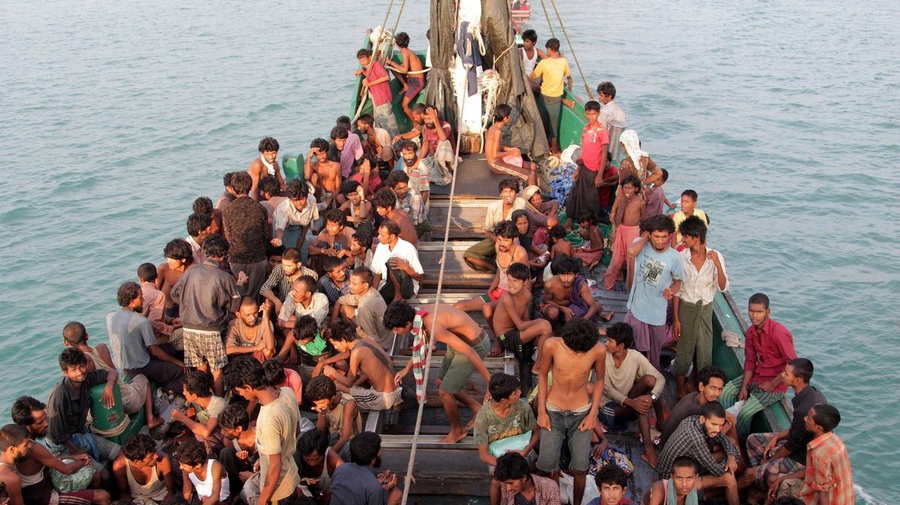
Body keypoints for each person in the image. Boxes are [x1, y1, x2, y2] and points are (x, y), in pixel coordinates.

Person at [385, 301, 492, 443]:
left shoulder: (431, 324)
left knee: (445, 392)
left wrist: (489, 382)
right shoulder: (418, 313)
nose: (395, 333)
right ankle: (477, 409)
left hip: (475, 345)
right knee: (440, 382)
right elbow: (424, 342)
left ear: (407, 324)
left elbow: (469, 351)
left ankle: (457, 431)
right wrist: (407, 369)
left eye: (396, 329)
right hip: (458, 344)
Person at [535, 318, 606, 505]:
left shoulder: (598, 350)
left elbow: (599, 380)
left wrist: (593, 415)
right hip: (553, 411)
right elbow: (542, 374)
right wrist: (541, 411)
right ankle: (554, 500)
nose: (578, 354)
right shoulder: (551, 345)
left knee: (581, 468)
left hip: (581, 413)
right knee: (549, 465)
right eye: (575, 350)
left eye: (582, 352)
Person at [738, 359, 827, 497]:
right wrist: (777, 437)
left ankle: (751, 482)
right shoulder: (812, 393)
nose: (782, 375)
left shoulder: (803, 410)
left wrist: (770, 461)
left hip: (801, 457)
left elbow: (792, 445)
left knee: (749, 473)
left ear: (797, 380)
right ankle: (760, 481)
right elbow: (796, 429)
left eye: (786, 373)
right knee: (752, 440)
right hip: (798, 441)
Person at [170, 235, 242, 395]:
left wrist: (187, 304)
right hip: (210, 329)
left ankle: (203, 399)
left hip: (189, 329)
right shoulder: (225, 277)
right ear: (224, 255)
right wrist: (239, 286)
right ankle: (220, 401)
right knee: (217, 370)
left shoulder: (191, 270)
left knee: (200, 368)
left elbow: (174, 294)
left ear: (205, 251)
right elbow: (234, 306)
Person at [718, 293, 797, 438]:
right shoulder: (751, 332)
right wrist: (744, 387)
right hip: (757, 375)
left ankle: (739, 439)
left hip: (776, 383)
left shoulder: (779, 333)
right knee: (725, 392)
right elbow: (750, 361)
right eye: (751, 311)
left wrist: (773, 383)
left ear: (768, 312)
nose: (754, 316)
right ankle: (724, 427)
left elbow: (793, 364)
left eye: (759, 312)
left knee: (746, 412)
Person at [224, 357, 301, 505]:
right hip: (291, 474)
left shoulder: (267, 419)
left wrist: (262, 500)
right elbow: (296, 431)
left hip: (278, 490)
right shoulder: (287, 392)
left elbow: (276, 465)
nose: (242, 395)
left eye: (240, 391)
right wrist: (265, 458)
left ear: (248, 387)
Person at [63, 321, 160, 429]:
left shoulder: (78, 367)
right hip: (128, 401)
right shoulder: (102, 348)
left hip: (107, 410)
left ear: (66, 343)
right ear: (87, 336)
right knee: (142, 378)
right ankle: (150, 419)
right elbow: (113, 371)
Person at [672, 215, 728, 398]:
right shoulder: (681, 258)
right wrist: (676, 319)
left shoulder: (715, 256)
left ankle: (697, 386)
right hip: (686, 308)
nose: (682, 240)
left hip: (705, 309)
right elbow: (678, 290)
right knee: (684, 350)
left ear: (696, 237)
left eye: (686, 236)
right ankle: (681, 390)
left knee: (704, 351)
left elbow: (723, 287)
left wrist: (717, 265)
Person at [598, 322, 666, 469]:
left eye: (610, 341)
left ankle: (661, 423)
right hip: (608, 407)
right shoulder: (603, 356)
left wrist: (652, 397)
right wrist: (632, 402)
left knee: (650, 382)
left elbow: (660, 378)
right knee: (641, 405)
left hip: (628, 401)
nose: (606, 344)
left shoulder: (634, 356)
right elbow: (608, 390)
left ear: (621, 346)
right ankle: (649, 451)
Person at [623, 214, 685, 370]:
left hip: (657, 313)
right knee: (633, 347)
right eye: (656, 236)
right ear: (650, 235)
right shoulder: (641, 245)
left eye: (664, 237)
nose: (660, 241)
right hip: (636, 308)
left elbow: (678, 281)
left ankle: (651, 375)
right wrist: (646, 236)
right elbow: (631, 251)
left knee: (653, 353)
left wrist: (671, 291)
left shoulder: (675, 257)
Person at [46, 349, 121, 474]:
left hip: (80, 432)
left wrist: (109, 386)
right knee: (102, 474)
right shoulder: (59, 396)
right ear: (65, 372)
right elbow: (57, 435)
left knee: (121, 452)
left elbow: (112, 372)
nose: (80, 372)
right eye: (74, 370)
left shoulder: (86, 380)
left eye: (82, 366)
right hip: (64, 444)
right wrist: (76, 451)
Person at [0, 423, 111, 505]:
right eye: (25, 445)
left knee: (95, 477)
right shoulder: (12, 479)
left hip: (44, 491)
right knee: (103, 497)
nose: (29, 446)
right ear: (12, 449)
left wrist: (71, 457)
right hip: (45, 499)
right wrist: (84, 461)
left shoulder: (12, 460)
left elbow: (47, 459)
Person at [106, 282, 186, 394]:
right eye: (140, 297)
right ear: (132, 301)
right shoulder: (142, 322)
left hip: (125, 367)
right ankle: (168, 390)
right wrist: (178, 363)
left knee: (170, 349)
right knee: (180, 371)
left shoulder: (110, 317)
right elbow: (155, 351)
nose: (143, 300)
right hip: (141, 367)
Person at [473, 374, 539, 505]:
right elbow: (483, 454)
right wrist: (505, 465)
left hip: (523, 453)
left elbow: (537, 433)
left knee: (535, 470)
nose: (520, 392)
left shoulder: (523, 407)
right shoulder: (483, 417)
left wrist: (524, 452)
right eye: (515, 392)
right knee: (497, 480)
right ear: (503, 400)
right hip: (497, 458)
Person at [657, 402, 740, 505]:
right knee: (729, 479)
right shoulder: (696, 438)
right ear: (702, 419)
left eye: (720, 425)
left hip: (684, 464)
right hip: (672, 480)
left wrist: (731, 455)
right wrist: (731, 461)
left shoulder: (694, 420)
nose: (717, 429)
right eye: (714, 424)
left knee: (728, 447)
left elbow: (722, 437)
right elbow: (718, 471)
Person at [322, 320, 402, 412]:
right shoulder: (367, 340)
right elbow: (387, 362)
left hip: (383, 398)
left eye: (335, 344)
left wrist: (333, 372)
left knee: (340, 394)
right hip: (396, 390)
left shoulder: (356, 353)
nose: (335, 348)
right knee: (350, 387)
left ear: (343, 340)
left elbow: (348, 382)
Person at [492, 263, 553, 385]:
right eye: (509, 280)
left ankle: (536, 358)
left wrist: (534, 328)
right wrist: (539, 322)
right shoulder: (507, 298)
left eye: (515, 281)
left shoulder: (527, 294)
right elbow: (520, 325)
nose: (510, 284)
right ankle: (537, 366)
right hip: (504, 337)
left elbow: (525, 319)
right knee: (545, 326)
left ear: (525, 282)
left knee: (549, 338)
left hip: (516, 331)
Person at [454, 220, 529, 317]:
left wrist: (517, 303)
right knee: (459, 305)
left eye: (506, 241)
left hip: (511, 296)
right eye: (499, 239)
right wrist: (490, 290)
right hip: (497, 292)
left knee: (488, 309)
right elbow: (500, 271)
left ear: (514, 239)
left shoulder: (520, 253)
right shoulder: (498, 246)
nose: (502, 243)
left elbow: (527, 284)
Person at [791, 404, 853, 505]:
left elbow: (823, 493)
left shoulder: (819, 454)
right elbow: (813, 470)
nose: (805, 418)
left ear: (819, 427)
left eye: (809, 418)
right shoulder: (835, 440)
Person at [222, 171, 270, 300]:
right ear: (250, 187)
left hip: (236, 260)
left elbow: (228, 237)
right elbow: (265, 234)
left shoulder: (228, 210)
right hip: (257, 258)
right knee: (256, 296)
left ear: (233, 188)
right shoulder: (260, 208)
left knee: (239, 295)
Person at [661, 366, 736, 447]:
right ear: (701, 386)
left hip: (690, 439)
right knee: (731, 439)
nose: (717, 394)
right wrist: (728, 425)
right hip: (675, 446)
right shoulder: (694, 409)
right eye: (713, 388)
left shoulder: (698, 396)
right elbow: (710, 441)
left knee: (729, 424)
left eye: (720, 389)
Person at [464, 177, 527, 272]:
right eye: (505, 192)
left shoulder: (520, 203)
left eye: (511, 191)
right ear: (501, 194)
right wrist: (499, 241)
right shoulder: (493, 207)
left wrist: (506, 241)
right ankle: (494, 268)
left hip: (513, 239)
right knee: (469, 255)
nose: (508, 195)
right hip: (496, 238)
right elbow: (488, 231)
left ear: (516, 193)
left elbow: (518, 226)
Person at [329, 431, 401, 505]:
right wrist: (385, 489)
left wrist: (376, 482)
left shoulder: (341, 469)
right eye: (379, 450)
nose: (380, 453)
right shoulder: (374, 487)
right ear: (373, 460)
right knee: (396, 494)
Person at [566, 101, 609, 224]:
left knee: (591, 198)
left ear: (598, 113)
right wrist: (578, 169)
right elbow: (583, 150)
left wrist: (599, 175)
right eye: (588, 114)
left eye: (593, 114)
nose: (591, 117)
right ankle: (572, 219)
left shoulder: (602, 131)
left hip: (593, 170)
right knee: (575, 193)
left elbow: (604, 154)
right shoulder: (585, 128)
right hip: (583, 166)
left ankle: (591, 223)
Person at [332, 267, 393, 351]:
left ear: (365, 285)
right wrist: (332, 324)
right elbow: (340, 301)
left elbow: (372, 337)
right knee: (344, 308)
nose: (350, 286)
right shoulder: (370, 291)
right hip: (377, 330)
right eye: (350, 282)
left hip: (381, 342)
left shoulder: (364, 306)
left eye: (354, 284)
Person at [540, 256, 613, 327]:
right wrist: (563, 308)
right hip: (556, 306)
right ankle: (553, 328)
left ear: (576, 275)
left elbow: (593, 306)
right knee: (553, 313)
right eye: (562, 274)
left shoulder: (580, 283)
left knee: (598, 306)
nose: (566, 279)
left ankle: (573, 321)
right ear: (558, 274)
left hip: (572, 308)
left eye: (569, 275)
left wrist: (581, 321)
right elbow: (547, 300)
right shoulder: (550, 285)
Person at [530, 38, 573, 154]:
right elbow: (567, 74)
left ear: (549, 49)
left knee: (543, 120)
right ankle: (554, 148)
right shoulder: (563, 61)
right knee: (554, 124)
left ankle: (543, 145)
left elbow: (533, 76)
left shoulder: (544, 63)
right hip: (556, 97)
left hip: (544, 95)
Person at [603, 175, 645, 292]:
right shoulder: (621, 200)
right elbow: (617, 221)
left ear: (636, 189)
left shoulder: (640, 202)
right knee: (615, 260)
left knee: (632, 263)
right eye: (625, 188)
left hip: (633, 232)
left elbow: (644, 220)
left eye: (630, 188)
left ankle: (631, 290)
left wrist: (642, 238)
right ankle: (608, 286)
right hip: (621, 230)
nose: (627, 190)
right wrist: (622, 205)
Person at [171, 371, 226, 456]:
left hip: (224, 439)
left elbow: (206, 432)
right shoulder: (194, 402)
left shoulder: (218, 404)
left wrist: (182, 418)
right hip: (211, 438)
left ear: (195, 395)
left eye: (185, 391)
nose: (183, 393)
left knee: (201, 435)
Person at [304, 376, 361, 456]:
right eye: (317, 404)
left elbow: (345, 438)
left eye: (321, 403)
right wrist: (321, 414)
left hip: (348, 442)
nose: (319, 406)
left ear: (332, 397)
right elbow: (319, 430)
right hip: (332, 437)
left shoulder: (348, 404)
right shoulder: (324, 405)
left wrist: (327, 455)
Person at [370, 220, 425, 303]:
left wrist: (405, 267)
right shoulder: (380, 247)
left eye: (382, 235)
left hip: (406, 289)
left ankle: (398, 296)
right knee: (374, 300)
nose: (378, 237)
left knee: (392, 261)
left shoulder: (408, 248)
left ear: (392, 236)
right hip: (387, 286)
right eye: (379, 234)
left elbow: (420, 277)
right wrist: (374, 294)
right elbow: (377, 273)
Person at [113, 434, 175, 505]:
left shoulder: (163, 459)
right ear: (137, 461)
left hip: (160, 495)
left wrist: (168, 498)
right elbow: (124, 492)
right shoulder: (119, 466)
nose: (156, 456)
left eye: (154, 451)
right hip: (137, 499)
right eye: (151, 456)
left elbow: (170, 491)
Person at [485, 104, 539, 184]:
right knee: (530, 174)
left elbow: (495, 146)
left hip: (499, 161)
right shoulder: (497, 131)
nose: (510, 118)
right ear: (505, 118)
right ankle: (533, 191)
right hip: (495, 164)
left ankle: (535, 187)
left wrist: (508, 149)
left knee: (533, 166)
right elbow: (495, 154)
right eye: (509, 116)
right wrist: (511, 153)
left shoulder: (493, 127)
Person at [259, 247, 318, 316]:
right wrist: (276, 301)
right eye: (283, 264)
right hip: (282, 305)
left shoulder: (311, 275)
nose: (285, 268)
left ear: (298, 265)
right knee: (268, 301)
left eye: (289, 266)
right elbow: (264, 288)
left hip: (301, 307)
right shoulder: (279, 269)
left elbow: (313, 298)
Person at [138, 262, 183, 351]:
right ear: (156, 276)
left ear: (140, 279)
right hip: (155, 339)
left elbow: (150, 316)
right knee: (187, 332)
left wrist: (171, 320)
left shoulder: (138, 294)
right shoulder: (158, 295)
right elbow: (155, 323)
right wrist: (173, 327)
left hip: (141, 337)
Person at [272, 179, 319, 264]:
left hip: (300, 226)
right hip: (286, 228)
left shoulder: (312, 200)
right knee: (290, 255)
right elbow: (280, 228)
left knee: (303, 253)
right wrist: (278, 239)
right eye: (295, 200)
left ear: (306, 196)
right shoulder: (284, 209)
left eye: (301, 199)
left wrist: (302, 238)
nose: (299, 203)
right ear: (290, 199)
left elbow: (307, 221)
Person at [216, 404, 257, 499]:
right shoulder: (229, 441)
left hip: (261, 473)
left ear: (238, 429)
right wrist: (244, 460)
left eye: (226, 430)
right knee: (225, 453)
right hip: (242, 475)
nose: (222, 432)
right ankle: (230, 494)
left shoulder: (259, 434)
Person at [355, 49, 399, 138]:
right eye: (361, 61)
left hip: (383, 99)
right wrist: (362, 72)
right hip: (377, 101)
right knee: (381, 124)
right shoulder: (368, 68)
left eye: (364, 60)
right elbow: (372, 76)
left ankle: (397, 143)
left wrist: (369, 84)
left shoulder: (376, 65)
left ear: (370, 57)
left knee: (390, 126)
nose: (363, 63)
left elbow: (386, 77)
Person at [175, 439, 230, 505]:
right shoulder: (186, 470)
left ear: (198, 465)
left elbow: (215, 497)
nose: (180, 467)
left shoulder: (214, 467)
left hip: (222, 502)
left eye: (183, 465)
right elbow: (187, 493)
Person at [295, 429, 343, 504]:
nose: (312, 463)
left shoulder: (333, 460)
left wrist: (331, 490)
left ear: (323, 453)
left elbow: (346, 478)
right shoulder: (297, 459)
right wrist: (301, 483)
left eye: (316, 459)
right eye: (308, 459)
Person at [386, 31, 425, 125]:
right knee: (393, 68)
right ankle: (405, 85)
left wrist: (391, 62)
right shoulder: (406, 51)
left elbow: (404, 70)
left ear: (397, 44)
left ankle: (416, 125)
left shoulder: (405, 52)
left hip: (416, 81)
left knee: (404, 105)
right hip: (411, 79)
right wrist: (393, 65)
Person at [494, 452, 560, 505]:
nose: (508, 488)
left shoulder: (550, 487)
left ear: (524, 478)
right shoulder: (505, 485)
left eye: (511, 483)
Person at [225, 297, 276, 363]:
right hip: (240, 361)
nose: (252, 318)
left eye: (255, 313)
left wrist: (266, 317)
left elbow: (270, 347)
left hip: (258, 361)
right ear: (238, 315)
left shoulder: (265, 323)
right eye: (248, 315)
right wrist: (256, 348)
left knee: (268, 352)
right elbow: (228, 350)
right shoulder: (234, 325)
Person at [384, 171, 430, 238]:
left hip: (417, 226)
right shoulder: (391, 196)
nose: (403, 191)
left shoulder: (415, 197)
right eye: (399, 189)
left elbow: (413, 222)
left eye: (405, 187)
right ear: (392, 189)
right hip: (399, 226)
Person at [156, 238, 194, 317]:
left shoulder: (193, 271)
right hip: (167, 311)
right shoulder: (163, 269)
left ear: (183, 259)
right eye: (167, 257)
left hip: (188, 310)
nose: (168, 261)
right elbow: (155, 290)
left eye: (172, 258)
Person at [309, 209, 355, 274]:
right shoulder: (325, 232)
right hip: (331, 265)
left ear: (341, 226)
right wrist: (324, 251)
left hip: (346, 266)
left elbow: (359, 255)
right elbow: (310, 249)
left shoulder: (350, 233)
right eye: (328, 224)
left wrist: (344, 252)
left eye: (333, 226)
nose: (329, 228)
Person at [248, 136, 286, 202]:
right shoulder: (257, 165)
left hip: (270, 194)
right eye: (267, 154)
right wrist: (256, 204)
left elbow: (282, 184)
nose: (271, 157)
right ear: (262, 153)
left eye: (273, 153)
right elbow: (254, 189)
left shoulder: (275, 165)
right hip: (258, 195)